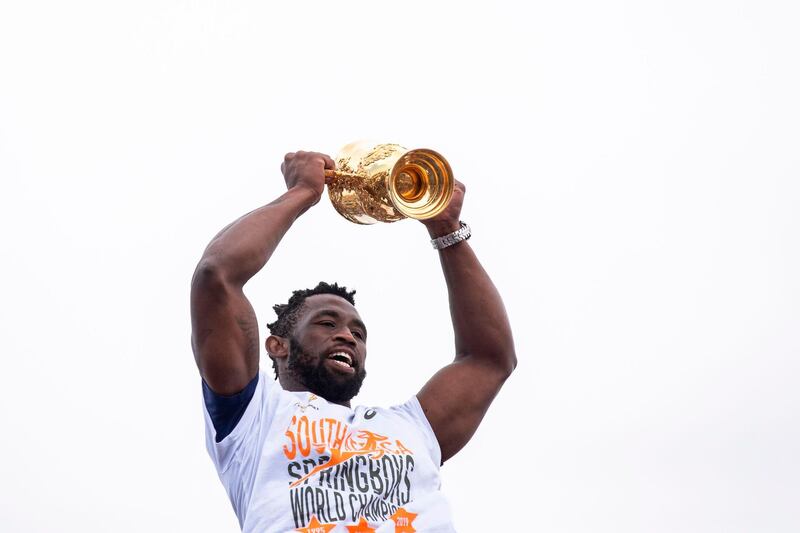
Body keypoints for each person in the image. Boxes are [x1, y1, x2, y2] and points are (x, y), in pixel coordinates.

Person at [190, 151, 516, 532]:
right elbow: (217, 275)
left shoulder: (410, 427)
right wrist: (302, 192)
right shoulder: (253, 415)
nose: (347, 335)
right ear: (277, 345)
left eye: (358, 334)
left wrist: (448, 230)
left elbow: (489, 360)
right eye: (327, 323)